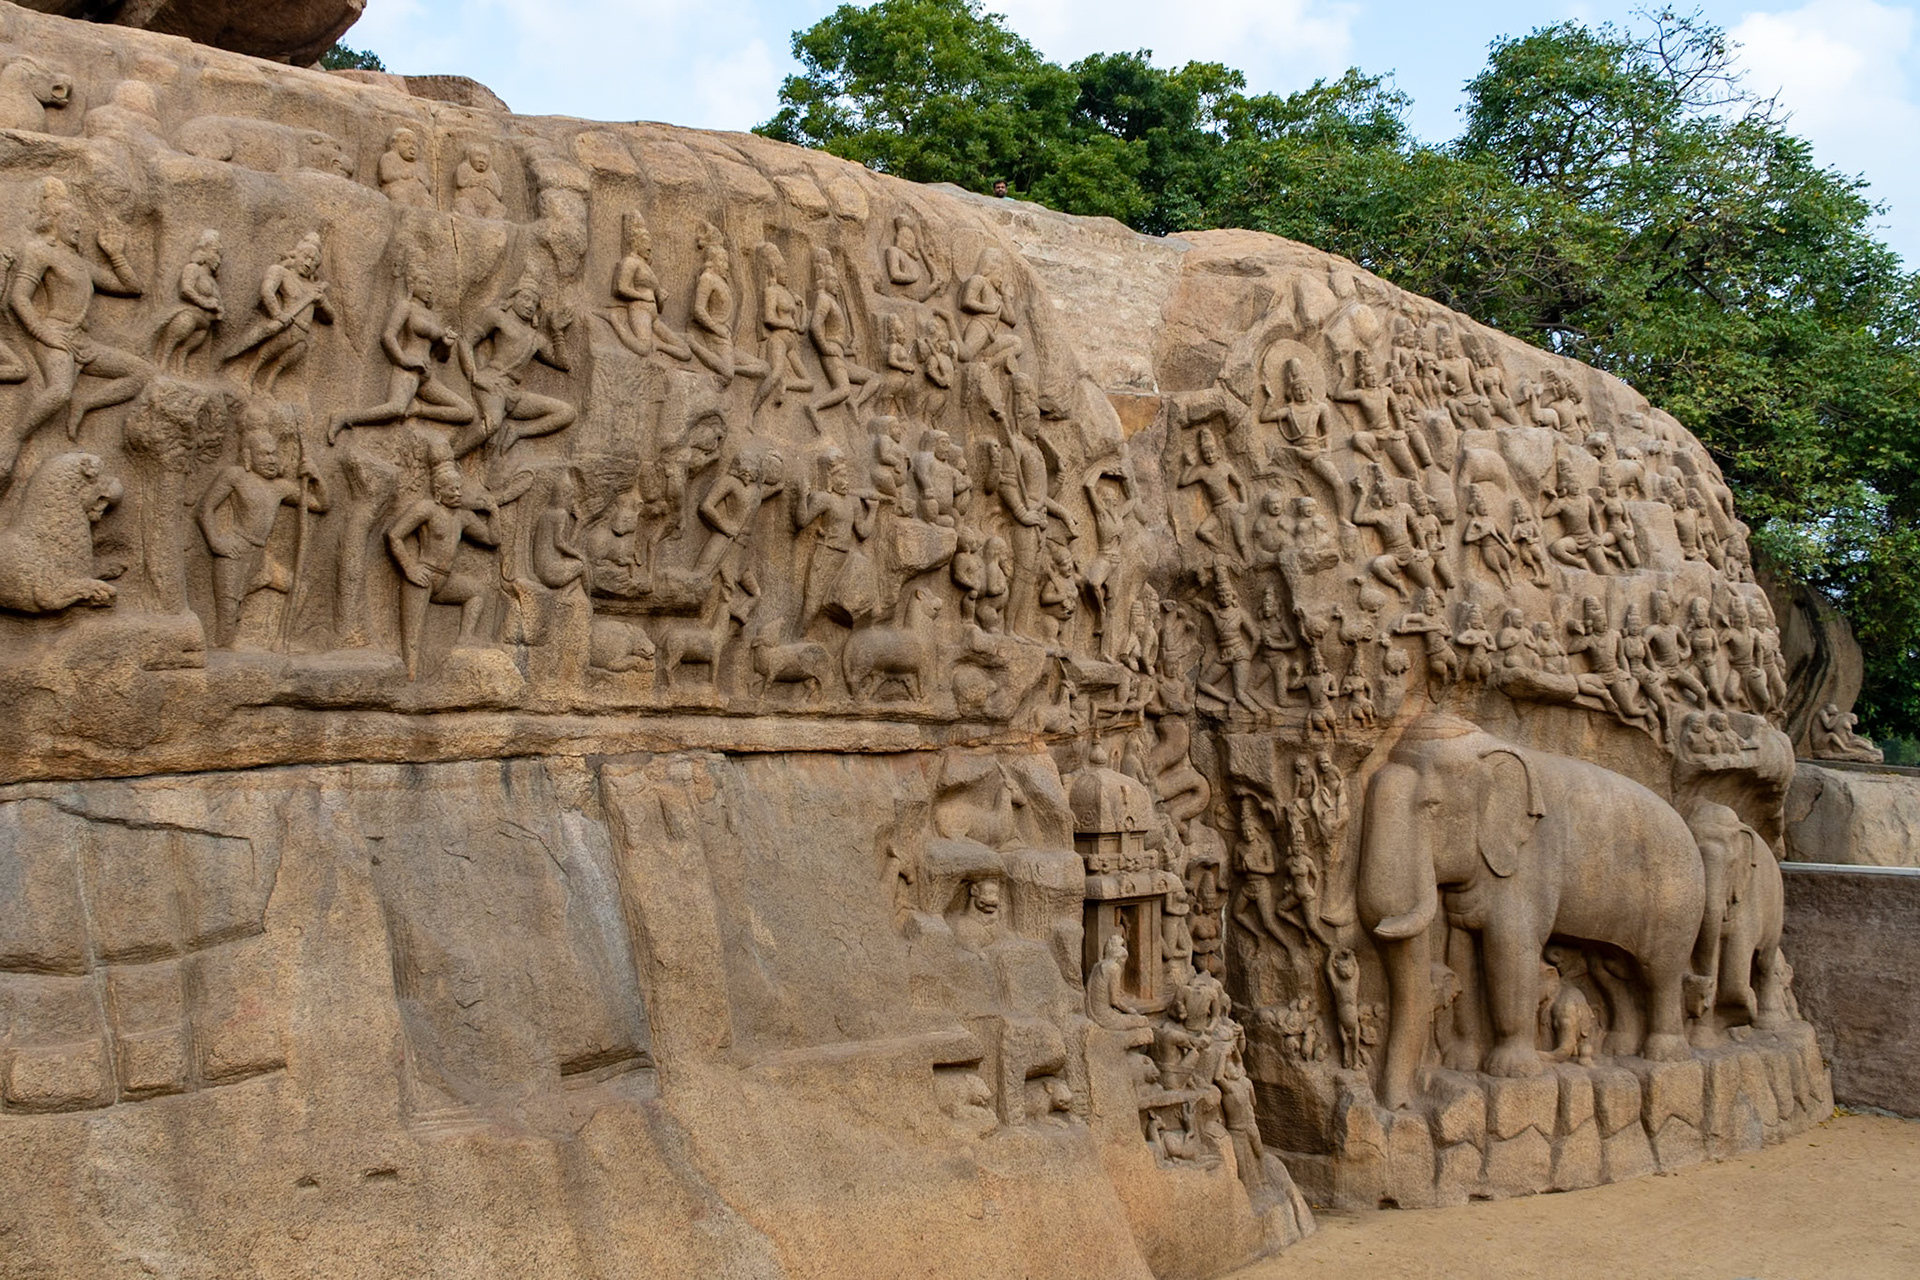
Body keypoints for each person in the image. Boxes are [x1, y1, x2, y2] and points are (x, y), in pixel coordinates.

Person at [197, 423, 329, 646]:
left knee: (299, 589)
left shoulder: (280, 487)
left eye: (274, 454)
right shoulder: (235, 476)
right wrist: (216, 541)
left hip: (260, 560)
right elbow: (205, 509)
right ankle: (224, 657)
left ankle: (280, 641)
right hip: (235, 553)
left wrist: (317, 477)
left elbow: (320, 505)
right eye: (265, 454)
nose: (271, 459)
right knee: (227, 622)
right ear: (248, 455)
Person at [386, 460, 498, 679]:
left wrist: (494, 512)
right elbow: (394, 535)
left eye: (459, 489)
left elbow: (492, 539)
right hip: (422, 576)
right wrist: (409, 568)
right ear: (438, 492)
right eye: (452, 489)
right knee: (412, 637)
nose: (458, 493)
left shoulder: (464, 516)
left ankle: (465, 639)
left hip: (446, 580)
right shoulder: (426, 509)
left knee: (477, 591)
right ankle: (409, 679)